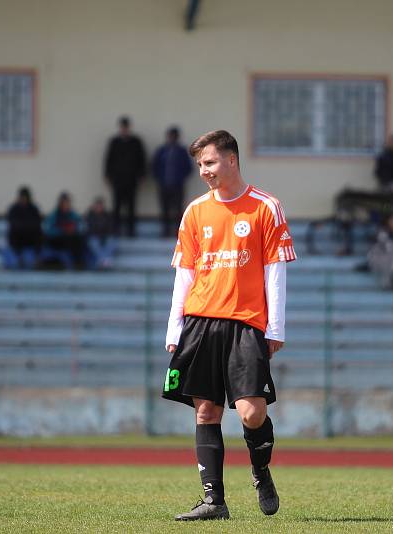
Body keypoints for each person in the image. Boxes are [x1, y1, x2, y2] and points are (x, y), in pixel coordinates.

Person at [162, 130, 296, 521]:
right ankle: (213, 501)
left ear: (232, 160)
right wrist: (175, 330)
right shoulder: (195, 211)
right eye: (200, 165)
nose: (204, 171)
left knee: (252, 412)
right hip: (201, 322)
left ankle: (260, 469)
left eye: (210, 162)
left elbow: (275, 271)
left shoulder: (265, 206)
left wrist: (275, 327)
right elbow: (184, 274)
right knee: (206, 412)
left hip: (245, 324)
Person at [103, 116, 146, 237]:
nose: (124, 129)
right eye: (122, 127)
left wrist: (142, 175)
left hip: (132, 179)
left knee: (131, 205)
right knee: (116, 205)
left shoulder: (136, 142)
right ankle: (116, 229)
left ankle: (131, 230)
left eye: (126, 127)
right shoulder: (114, 142)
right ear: (120, 128)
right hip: (117, 179)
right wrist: (107, 174)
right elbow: (108, 159)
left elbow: (142, 159)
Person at [153, 126, 194, 237]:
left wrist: (180, 178)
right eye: (170, 136)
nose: (172, 138)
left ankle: (178, 231)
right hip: (164, 184)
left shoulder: (181, 151)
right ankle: (165, 231)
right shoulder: (162, 151)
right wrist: (159, 178)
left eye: (174, 136)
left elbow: (189, 168)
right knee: (164, 208)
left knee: (178, 209)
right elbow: (154, 166)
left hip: (177, 185)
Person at [43, 192, 87, 269]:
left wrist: (74, 229)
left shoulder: (73, 214)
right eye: (64, 203)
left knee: (77, 239)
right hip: (57, 239)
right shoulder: (54, 215)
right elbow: (48, 230)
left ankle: (78, 263)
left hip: (70, 238)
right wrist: (62, 230)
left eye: (67, 203)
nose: (66, 205)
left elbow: (81, 226)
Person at [3, 186, 42, 269]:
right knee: (13, 233)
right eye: (22, 197)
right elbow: (13, 223)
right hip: (19, 236)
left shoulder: (34, 209)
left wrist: (25, 227)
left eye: (25, 197)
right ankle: (18, 257)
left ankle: (37, 258)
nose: (23, 199)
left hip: (30, 236)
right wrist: (25, 227)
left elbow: (37, 223)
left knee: (39, 234)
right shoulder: (13, 209)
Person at [85, 197, 117, 268]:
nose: (99, 208)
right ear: (94, 207)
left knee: (112, 241)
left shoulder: (107, 215)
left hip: (105, 235)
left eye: (100, 206)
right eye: (97, 206)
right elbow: (90, 228)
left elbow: (111, 227)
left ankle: (105, 260)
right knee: (93, 242)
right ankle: (103, 259)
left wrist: (105, 233)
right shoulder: (90, 216)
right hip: (95, 236)